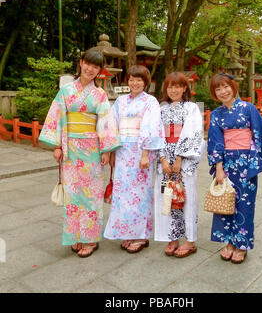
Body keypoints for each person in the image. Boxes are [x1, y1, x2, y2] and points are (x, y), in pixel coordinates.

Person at [39, 48, 121, 258]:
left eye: (96, 66)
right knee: (73, 195)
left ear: (99, 70)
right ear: (81, 63)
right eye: (88, 64)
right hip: (70, 150)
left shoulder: (100, 95)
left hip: (92, 150)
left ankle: (90, 238)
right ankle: (76, 235)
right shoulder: (66, 91)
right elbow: (55, 116)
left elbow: (105, 122)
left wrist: (106, 149)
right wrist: (57, 145)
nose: (90, 69)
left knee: (91, 195)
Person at [207, 72, 262, 263]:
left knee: (245, 204)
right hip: (227, 163)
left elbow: (261, 132)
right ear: (214, 93)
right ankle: (229, 241)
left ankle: (242, 245)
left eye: (225, 86)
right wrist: (219, 168)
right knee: (225, 202)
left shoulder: (248, 108)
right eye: (218, 89)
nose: (223, 91)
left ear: (233, 87)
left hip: (247, 162)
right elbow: (215, 141)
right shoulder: (216, 114)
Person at [104, 65, 164, 253]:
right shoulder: (120, 101)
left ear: (145, 82)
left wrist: (146, 152)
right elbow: (112, 125)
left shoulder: (150, 101)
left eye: (139, 79)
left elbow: (151, 126)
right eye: (131, 79)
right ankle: (128, 233)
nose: (135, 83)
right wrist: (112, 151)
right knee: (123, 195)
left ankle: (140, 236)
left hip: (140, 152)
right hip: (122, 151)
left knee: (140, 195)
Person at [154, 72, 206, 258]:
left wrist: (179, 158)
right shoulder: (160, 109)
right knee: (167, 197)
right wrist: (162, 158)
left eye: (178, 86)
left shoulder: (192, 108)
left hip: (183, 158)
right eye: (170, 86)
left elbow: (194, 133)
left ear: (185, 88)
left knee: (187, 197)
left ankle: (190, 240)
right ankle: (172, 236)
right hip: (164, 157)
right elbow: (156, 134)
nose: (173, 90)